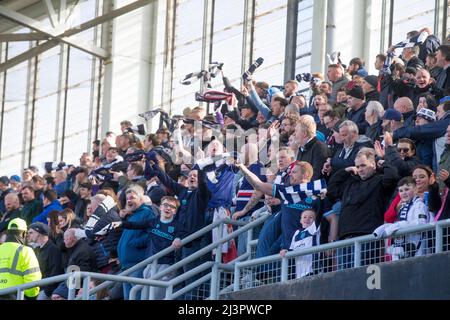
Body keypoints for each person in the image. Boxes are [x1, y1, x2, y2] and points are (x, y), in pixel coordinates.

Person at [327, 148, 399, 269]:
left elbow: (392, 176)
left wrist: (383, 163)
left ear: (373, 165)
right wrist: (345, 171)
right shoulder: (350, 183)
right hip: (345, 238)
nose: (360, 169)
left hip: (368, 237)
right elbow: (332, 189)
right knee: (344, 280)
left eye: (363, 165)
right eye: (358, 166)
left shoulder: (380, 181)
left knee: (364, 279)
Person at [111, 196, 182, 300]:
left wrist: (178, 238)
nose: (168, 208)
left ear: (175, 211)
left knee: (157, 297)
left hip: (166, 265)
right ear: (160, 207)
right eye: (166, 205)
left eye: (172, 207)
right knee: (147, 296)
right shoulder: (153, 222)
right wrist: (121, 223)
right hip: (150, 264)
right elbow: (135, 225)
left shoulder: (177, 226)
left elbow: (184, 234)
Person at [373, 177, 430, 260]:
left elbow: (421, 223)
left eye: (407, 189)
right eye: (401, 191)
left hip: (417, 252)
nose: (404, 193)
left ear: (415, 189)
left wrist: (398, 226)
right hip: (401, 253)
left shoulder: (419, 205)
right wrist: (387, 226)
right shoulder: (402, 207)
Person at [116, 185, 156, 300]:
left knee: (137, 297)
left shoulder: (147, 213)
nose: (129, 200)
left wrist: (135, 243)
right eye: (127, 198)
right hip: (126, 265)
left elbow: (153, 234)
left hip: (137, 264)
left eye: (132, 198)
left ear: (140, 199)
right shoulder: (132, 216)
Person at [0, 218, 42, 299]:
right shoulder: (25, 250)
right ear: (23, 234)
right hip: (17, 295)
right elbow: (33, 279)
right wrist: (31, 295)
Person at [51, 228, 98, 300]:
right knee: (55, 295)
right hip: (72, 283)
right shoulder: (77, 249)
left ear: (70, 238)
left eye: (64, 239)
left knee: (57, 296)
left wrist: (61, 292)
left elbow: (83, 274)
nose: (63, 241)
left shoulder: (82, 251)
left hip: (78, 286)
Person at [280, 209, 322, 278]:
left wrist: (321, 200)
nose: (307, 219)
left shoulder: (313, 229)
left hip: (312, 271)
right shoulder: (296, 233)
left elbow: (320, 214)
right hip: (299, 274)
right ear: (300, 220)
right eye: (304, 217)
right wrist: (285, 251)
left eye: (311, 217)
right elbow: (292, 250)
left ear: (315, 221)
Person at [27, 222, 63, 300]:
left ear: (39, 233)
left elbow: (55, 272)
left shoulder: (53, 249)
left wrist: (46, 292)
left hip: (46, 291)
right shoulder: (36, 249)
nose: (28, 235)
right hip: (37, 289)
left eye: (31, 232)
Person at [295, 115, 330, 180]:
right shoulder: (301, 148)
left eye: (296, 131)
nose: (294, 134)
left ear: (304, 133)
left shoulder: (319, 148)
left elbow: (318, 175)